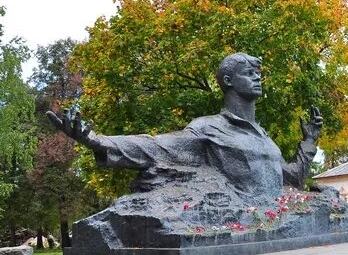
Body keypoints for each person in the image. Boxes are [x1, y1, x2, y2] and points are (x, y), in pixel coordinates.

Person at [47, 53, 323, 199]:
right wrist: (98, 140)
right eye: (249, 74)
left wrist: (309, 141)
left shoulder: (265, 138)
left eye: (258, 74)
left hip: (272, 225)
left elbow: (291, 179)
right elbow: (156, 145)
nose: (257, 79)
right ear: (228, 81)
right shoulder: (209, 129)